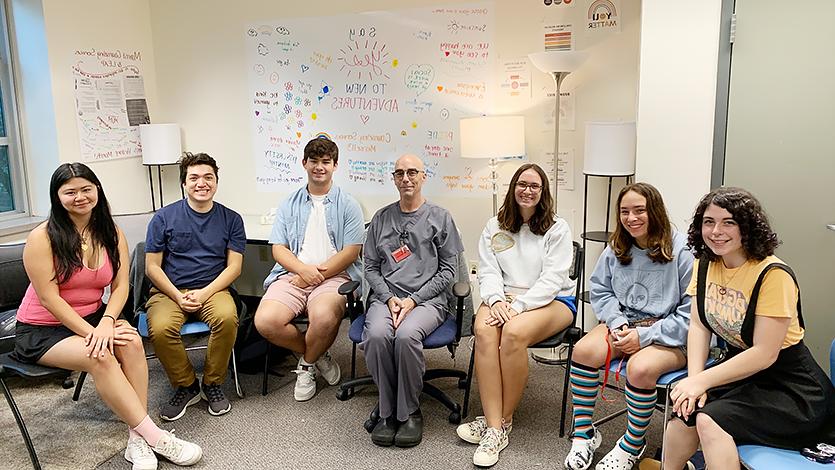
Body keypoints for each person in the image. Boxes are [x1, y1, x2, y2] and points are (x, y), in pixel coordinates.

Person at [12, 163, 202, 469]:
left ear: (97, 190)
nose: (80, 197)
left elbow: (120, 287)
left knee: (132, 342)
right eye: (70, 191)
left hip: (95, 318)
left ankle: (135, 440)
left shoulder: (111, 232)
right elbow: (49, 300)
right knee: (99, 355)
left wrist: (106, 323)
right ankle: (155, 437)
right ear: (56, 196)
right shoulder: (42, 237)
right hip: (43, 329)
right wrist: (94, 334)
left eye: (86, 189)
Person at [664, 187, 835, 470]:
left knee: (710, 419)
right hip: (742, 371)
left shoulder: (773, 274)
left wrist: (703, 381)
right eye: (709, 222)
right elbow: (698, 325)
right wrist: (694, 381)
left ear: (748, 226)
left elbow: (765, 354)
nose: (716, 231)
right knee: (687, 409)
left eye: (728, 222)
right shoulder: (706, 263)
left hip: (791, 387)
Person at [564, 182, 694, 470]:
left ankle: (634, 444)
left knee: (640, 369)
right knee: (584, 351)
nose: (631, 218)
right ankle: (584, 434)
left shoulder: (683, 252)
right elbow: (601, 290)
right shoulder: (617, 247)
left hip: (668, 331)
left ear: (655, 211)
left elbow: (690, 315)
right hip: (624, 322)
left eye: (639, 210)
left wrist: (644, 337)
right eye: (625, 211)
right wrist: (618, 322)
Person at [455, 163, 576, 467]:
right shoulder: (493, 225)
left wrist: (517, 307)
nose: (527, 190)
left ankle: (499, 423)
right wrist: (496, 301)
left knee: (512, 333)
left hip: (551, 300)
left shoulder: (557, 227)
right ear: (513, 188)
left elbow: (552, 280)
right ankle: (497, 427)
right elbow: (487, 269)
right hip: (503, 297)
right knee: (483, 331)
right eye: (522, 184)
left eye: (534, 186)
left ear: (543, 191)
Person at [361, 154, 464, 448]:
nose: (406, 178)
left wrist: (413, 300)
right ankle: (386, 410)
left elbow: (448, 272)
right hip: (386, 298)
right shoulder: (382, 218)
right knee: (378, 334)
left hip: (427, 300)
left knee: (406, 336)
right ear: (394, 179)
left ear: (423, 176)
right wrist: (390, 298)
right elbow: (370, 268)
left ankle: (408, 412)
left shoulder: (440, 217)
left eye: (412, 172)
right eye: (399, 173)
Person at [254, 137, 364, 401]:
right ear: (304, 163)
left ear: (335, 165)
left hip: (335, 277)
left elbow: (351, 252)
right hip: (292, 275)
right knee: (265, 321)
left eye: (326, 162)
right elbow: (278, 249)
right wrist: (303, 272)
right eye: (314, 161)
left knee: (325, 318)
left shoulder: (348, 204)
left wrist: (315, 276)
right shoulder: (288, 203)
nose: (319, 167)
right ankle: (316, 353)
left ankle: (305, 366)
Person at [144, 152, 246, 421]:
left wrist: (204, 293)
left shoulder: (231, 219)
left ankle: (212, 383)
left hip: (213, 290)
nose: (202, 183)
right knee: (161, 327)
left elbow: (234, 267)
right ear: (184, 183)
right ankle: (186, 385)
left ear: (216, 181)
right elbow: (152, 267)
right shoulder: (163, 218)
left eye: (208, 177)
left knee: (226, 318)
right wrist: (178, 296)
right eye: (194, 178)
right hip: (170, 291)